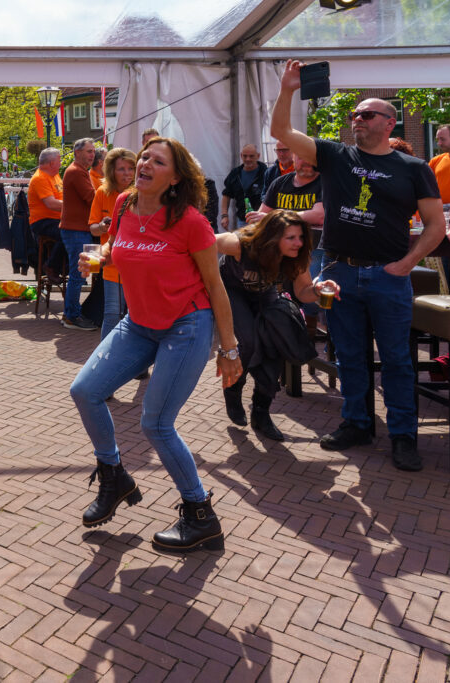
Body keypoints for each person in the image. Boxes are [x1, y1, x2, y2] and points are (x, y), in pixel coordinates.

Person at [271, 60, 447, 471]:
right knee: (349, 354)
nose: (357, 120)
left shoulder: (414, 168)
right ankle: (357, 423)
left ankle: (403, 436)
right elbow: (281, 132)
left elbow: (436, 226)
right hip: (339, 272)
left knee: (398, 360)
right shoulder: (334, 155)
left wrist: (407, 264)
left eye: (366, 115)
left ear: (390, 123)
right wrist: (287, 91)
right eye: (355, 115)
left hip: (388, 274)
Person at [71, 137, 242, 553]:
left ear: (175, 178)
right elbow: (116, 242)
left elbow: (216, 287)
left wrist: (229, 349)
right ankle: (113, 477)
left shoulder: (191, 222)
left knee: (156, 424)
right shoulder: (125, 204)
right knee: (85, 391)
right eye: (143, 156)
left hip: (187, 325)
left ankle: (202, 516)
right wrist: (103, 257)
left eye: (157, 161)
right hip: (140, 323)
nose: (144, 163)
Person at [217, 210, 339, 441]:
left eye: (301, 237)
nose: (298, 243)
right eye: (291, 238)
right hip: (233, 292)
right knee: (248, 343)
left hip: (265, 294)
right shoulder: (241, 244)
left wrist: (319, 289)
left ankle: (261, 413)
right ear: (273, 238)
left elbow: (303, 293)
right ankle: (233, 390)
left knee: (276, 343)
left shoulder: (296, 256)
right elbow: (204, 242)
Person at [246, 153, 326, 336]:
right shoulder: (280, 183)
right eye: (301, 157)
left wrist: (274, 217)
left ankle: (309, 334)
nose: (306, 162)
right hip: (281, 252)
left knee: (310, 298)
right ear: (294, 158)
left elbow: (319, 215)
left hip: (314, 248)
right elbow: (261, 216)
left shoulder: (324, 182)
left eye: (311, 158)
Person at [88, 147, 136, 338]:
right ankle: (105, 358)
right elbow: (92, 227)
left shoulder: (142, 194)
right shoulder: (102, 193)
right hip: (112, 264)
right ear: (111, 171)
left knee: (136, 315)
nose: (127, 173)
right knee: (112, 314)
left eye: (130, 168)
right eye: (121, 169)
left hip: (137, 265)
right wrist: (101, 226)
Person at [60, 138, 98, 330]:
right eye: (89, 151)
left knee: (87, 270)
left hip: (81, 229)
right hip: (77, 230)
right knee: (79, 273)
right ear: (77, 153)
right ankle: (71, 316)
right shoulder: (76, 172)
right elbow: (92, 198)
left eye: (93, 151)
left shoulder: (81, 171)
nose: (93, 155)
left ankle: (80, 312)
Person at [28, 148, 65, 282]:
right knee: (67, 232)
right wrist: (74, 206)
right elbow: (51, 204)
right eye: (59, 160)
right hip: (42, 222)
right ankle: (51, 266)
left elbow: (62, 197)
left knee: (78, 229)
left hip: (55, 218)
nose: (61, 163)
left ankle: (66, 267)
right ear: (51, 163)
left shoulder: (54, 175)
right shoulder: (40, 178)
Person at [220, 145, 267, 231]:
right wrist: (224, 215)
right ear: (241, 155)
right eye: (245, 156)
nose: (248, 159)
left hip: (262, 221)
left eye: (251, 156)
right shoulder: (235, 173)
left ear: (258, 156)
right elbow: (226, 195)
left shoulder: (266, 173)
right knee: (242, 244)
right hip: (242, 221)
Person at [260, 140, 294, 205]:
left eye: (285, 150)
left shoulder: (300, 169)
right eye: (278, 150)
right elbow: (264, 194)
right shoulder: (270, 172)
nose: (281, 154)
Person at [429, 124, 450, 204]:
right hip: (441, 213)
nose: (439, 143)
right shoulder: (435, 161)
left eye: (442, 139)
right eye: (438, 139)